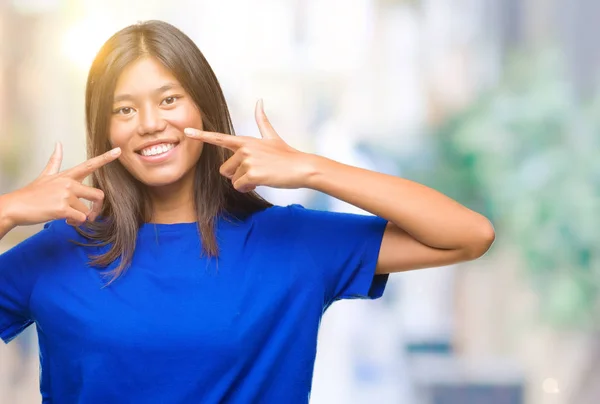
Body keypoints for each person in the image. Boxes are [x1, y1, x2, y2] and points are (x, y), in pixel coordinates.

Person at [0, 20, 494, 403]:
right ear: (105, 128)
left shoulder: (291, 243)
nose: (149, 124)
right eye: (124, 109)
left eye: (169, 99)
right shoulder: (60, 251)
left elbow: (468, 234)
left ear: (204, 110)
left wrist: (311, 168)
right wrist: (6, 211)